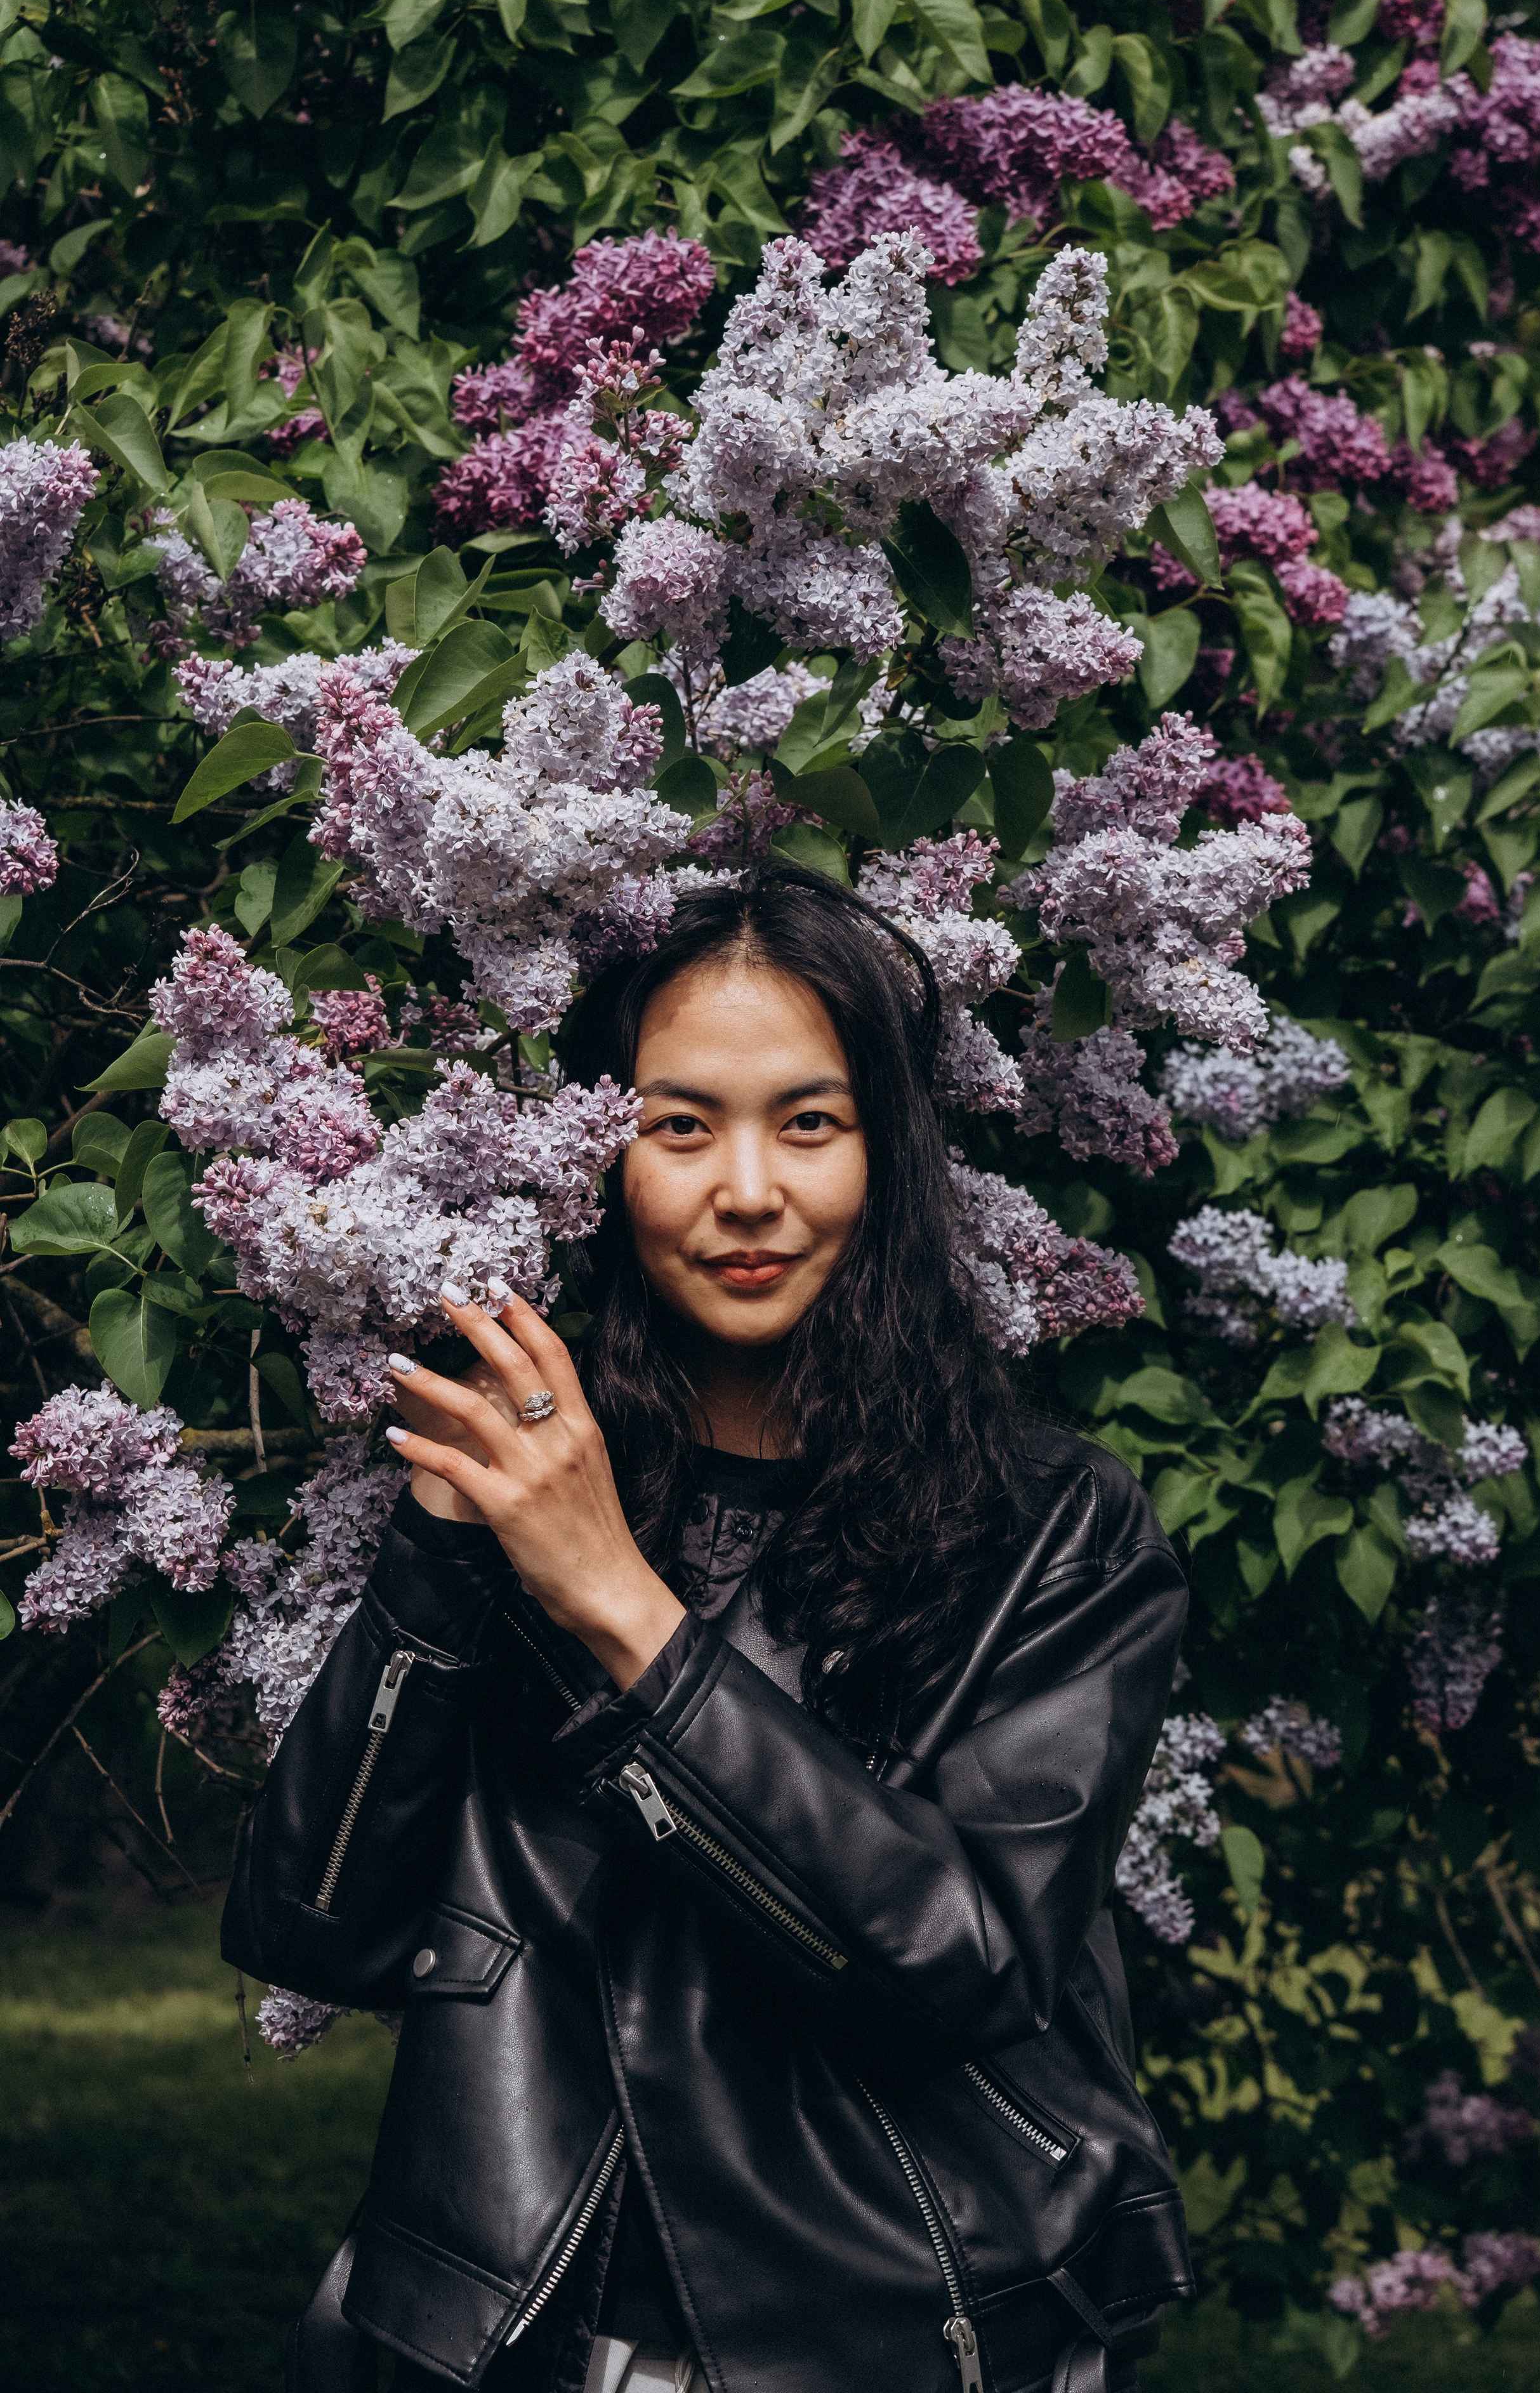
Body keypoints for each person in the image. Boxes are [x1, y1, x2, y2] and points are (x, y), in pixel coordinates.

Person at [223, 867, 1192, 2393]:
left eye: (808, 1124)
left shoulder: (1050, 1531)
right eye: (680, 1127)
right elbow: (313, 1924)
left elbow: (958, 1962)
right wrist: (452, 1539)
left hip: (882, 2333)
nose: (748, 1190)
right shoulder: (527, 1471)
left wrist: (617, 1602)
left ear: (887, 1156)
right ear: (602, 1159)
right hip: (490, 2337)